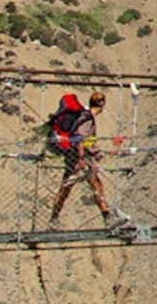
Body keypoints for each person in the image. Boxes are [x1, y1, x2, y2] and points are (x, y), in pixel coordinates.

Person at [46, 89, 114, 223]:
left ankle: (54, 216)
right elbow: (80, 138)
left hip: (73, 155)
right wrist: (82, 158)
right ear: (102, 104)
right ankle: (107, 216)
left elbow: (85, 140)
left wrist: (95, 151)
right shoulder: (88, 119)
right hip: (80, 157)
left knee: (67, 186)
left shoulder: (84, 117)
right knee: (96, 185)